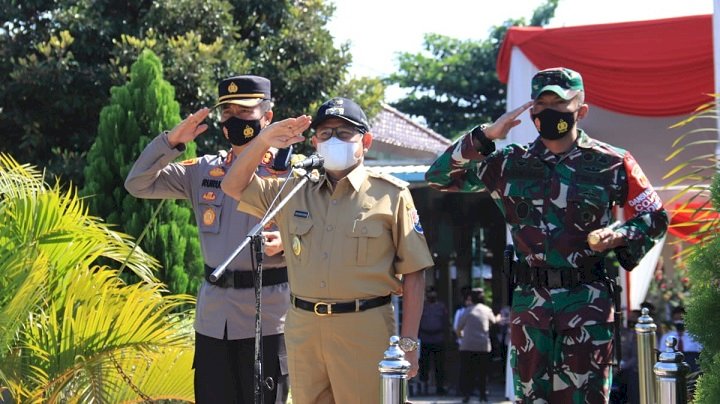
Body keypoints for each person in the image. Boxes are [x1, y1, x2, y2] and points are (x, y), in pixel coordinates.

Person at [425, 67, 669, 403]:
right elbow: (438, 177)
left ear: (580, 111)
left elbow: (655, 217)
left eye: (559, 103)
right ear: (532, 110)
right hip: (531, 308)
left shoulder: (612, 163)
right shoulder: (509, 164)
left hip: (588, 305)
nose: (549, 111)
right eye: (542, 104)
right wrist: (486, 135)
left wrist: (619, 236)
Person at [220, 97, 434, 403]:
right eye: (325, 133)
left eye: (345, 134)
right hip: (304, 327)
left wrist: (410, 344)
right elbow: (234, 186)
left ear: (366, 141)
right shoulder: (293, 188)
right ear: (314, 142)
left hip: (365, 326)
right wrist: (264, 139)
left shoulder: (391, 194)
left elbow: (414, 272)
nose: (334, 140)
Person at [125, 75, 291, 403]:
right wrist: (171, 141)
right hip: (215, 317)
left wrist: (288, 240)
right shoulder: (202, 171)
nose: (233, 120)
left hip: (267, 316)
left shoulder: (290, 175)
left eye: (244, 112)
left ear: (267, 116)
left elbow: (318, 232)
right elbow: (138, 184)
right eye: (226, 112)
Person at [456, 288, 498, 403]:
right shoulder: (487, 310)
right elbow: (494, 321)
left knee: (468, 372)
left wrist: (462, 338)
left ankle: (467, 395)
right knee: (482, 373)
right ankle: (483, 395)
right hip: (483, 346)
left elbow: (458, 328)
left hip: (467, 346)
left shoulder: (467, 310)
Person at [418, 286, 449, 395]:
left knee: (439, 366)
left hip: (438, 339)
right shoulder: (422, 306)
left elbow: (446, 322)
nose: (431, 295)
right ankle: (423, 388)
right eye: (429, 293)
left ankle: (440, 388)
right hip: (425, 339)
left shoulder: (441, 307)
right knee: (424, 366)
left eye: (433, 293)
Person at [659, 306, 701, 372]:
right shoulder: (666, 337)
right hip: (672, 369)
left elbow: (701, 354)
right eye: (676, 319)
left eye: (681, 318)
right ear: (673, 320)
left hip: (692, 369)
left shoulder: (696, 336)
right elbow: (662, 354)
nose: (679, 321)